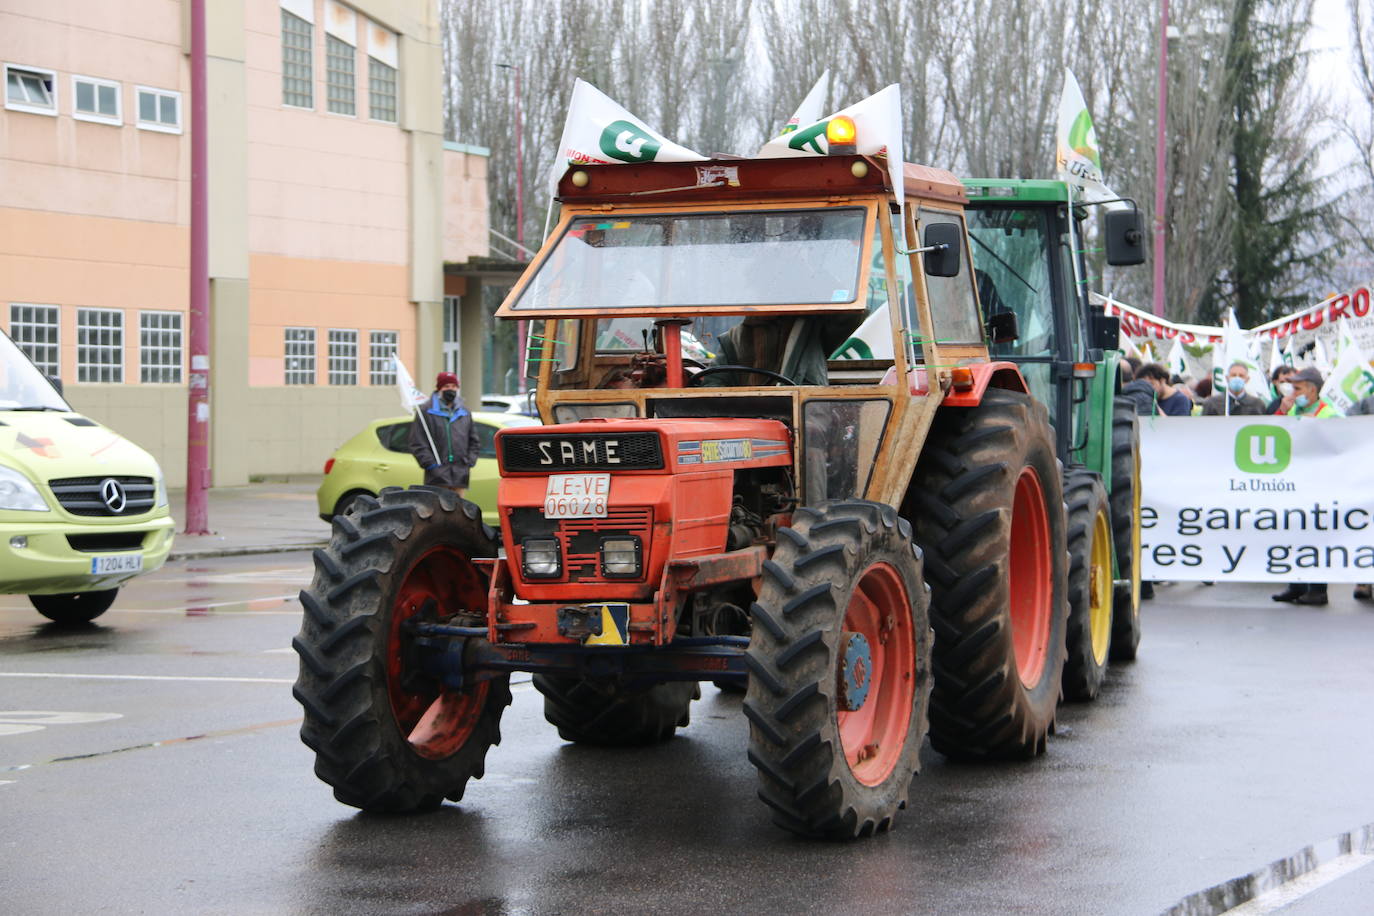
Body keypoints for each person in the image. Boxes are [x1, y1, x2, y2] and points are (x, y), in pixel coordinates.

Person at [1271, 367, 1341, 606]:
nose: (1293, 392)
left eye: (1298, 388)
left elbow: (1337, 446)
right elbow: (1271, 436)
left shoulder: (1329, 414)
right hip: (1292, 482)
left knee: (1316, 537)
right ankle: (1296, 585)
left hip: (1319, 483)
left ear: (1312, 390)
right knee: (1293, 534)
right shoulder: (1293, 410)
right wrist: (1282, 411)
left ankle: (1317, 589)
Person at [408, 371, 480, 495]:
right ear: (439, 389)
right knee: (438, 513)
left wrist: (469, 461)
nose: (450, 389)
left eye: (453, 386)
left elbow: (474, 441)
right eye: (446, 386)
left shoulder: (464, 412)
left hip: (460, 476)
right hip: (437, 478)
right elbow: (417, 442)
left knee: (459, 512)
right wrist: (431, 465)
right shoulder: (426, 411)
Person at [1121, 362, 1192, 417]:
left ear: (1162, 381)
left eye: (1151, 384)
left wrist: (1154, 406)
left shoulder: (1181, 400)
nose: (1147, 388)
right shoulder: (1144, 397)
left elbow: (1177, 428)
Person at [1201, 362, 1266, 416]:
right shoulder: (1212, 403)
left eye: (1241, 376)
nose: (1237, 378)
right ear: (1227, 378)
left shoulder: (1257, 404)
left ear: (1247, 379)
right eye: (1233, 375)